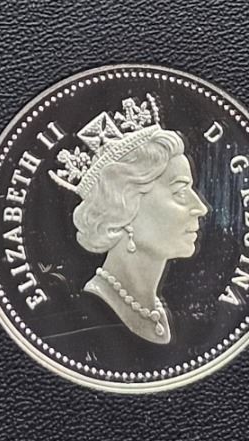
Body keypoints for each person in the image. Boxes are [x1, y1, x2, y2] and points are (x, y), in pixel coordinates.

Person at [51, 97, 209, 344]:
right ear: (123, 205)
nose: (200, 208)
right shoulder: (81, 319)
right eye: (179, 191)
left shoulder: (168, 313)